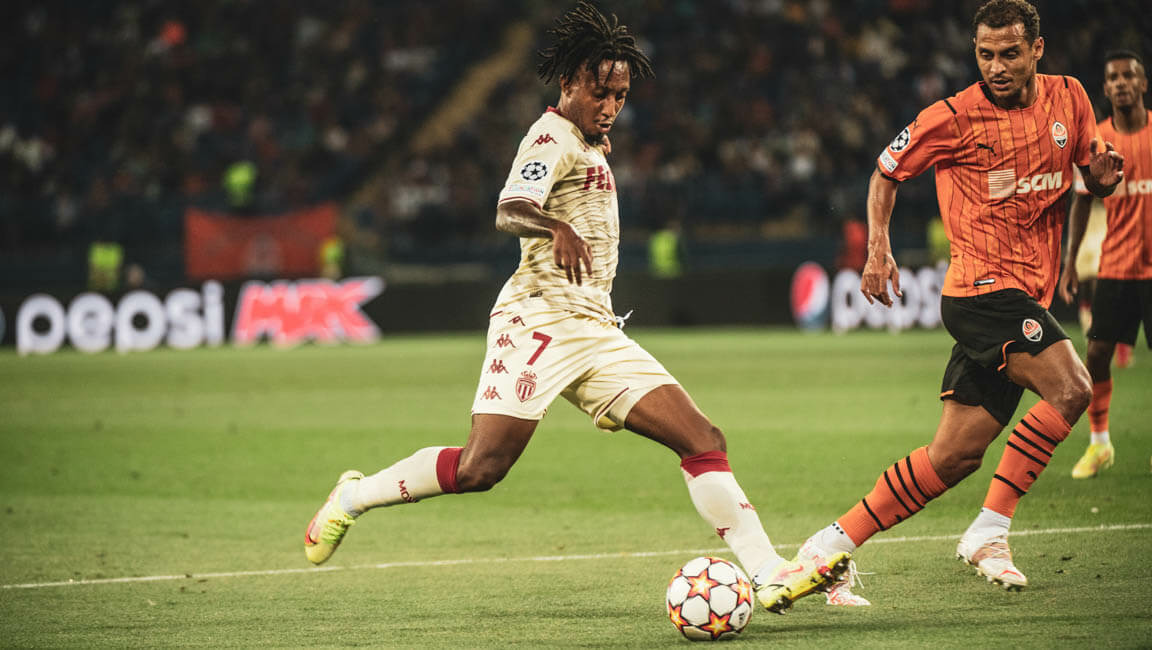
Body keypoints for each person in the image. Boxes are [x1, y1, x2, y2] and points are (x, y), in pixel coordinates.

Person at [302, 2, 849, 614]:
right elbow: (510, 208)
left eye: (620, 95)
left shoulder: (588, 139)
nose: (610, 106)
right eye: (599, 92)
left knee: (701, 438)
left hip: (594, 328)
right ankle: (353, 497)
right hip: (536, 320)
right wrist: (554, 225)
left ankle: (769, 572)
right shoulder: (550, 137)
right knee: (482, 468)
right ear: (568, 82)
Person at [789, 0, 1124, 598]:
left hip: (1028, 296)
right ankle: (990, 532)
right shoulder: (952, 117)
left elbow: (1090, 172)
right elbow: (886, 171)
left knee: (954, 457)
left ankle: (828, 545)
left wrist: (1100, 181)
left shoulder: (1071, 97)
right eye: (986, 54)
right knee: (1073, 388)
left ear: (1037, 50)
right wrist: (878, 247)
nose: (997, 66)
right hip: (980, 293)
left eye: (1010, 54)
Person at [1058, 50, 1150, 479]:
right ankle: (1099, 444)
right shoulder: (1099, 142)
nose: (1121, 83)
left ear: (1142, 83)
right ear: (1106, 88)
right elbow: (1081, 201)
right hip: (1116, 266)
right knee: (1095, 355)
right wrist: (1070, 263)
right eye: (1113, 78)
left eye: (1128, 76)